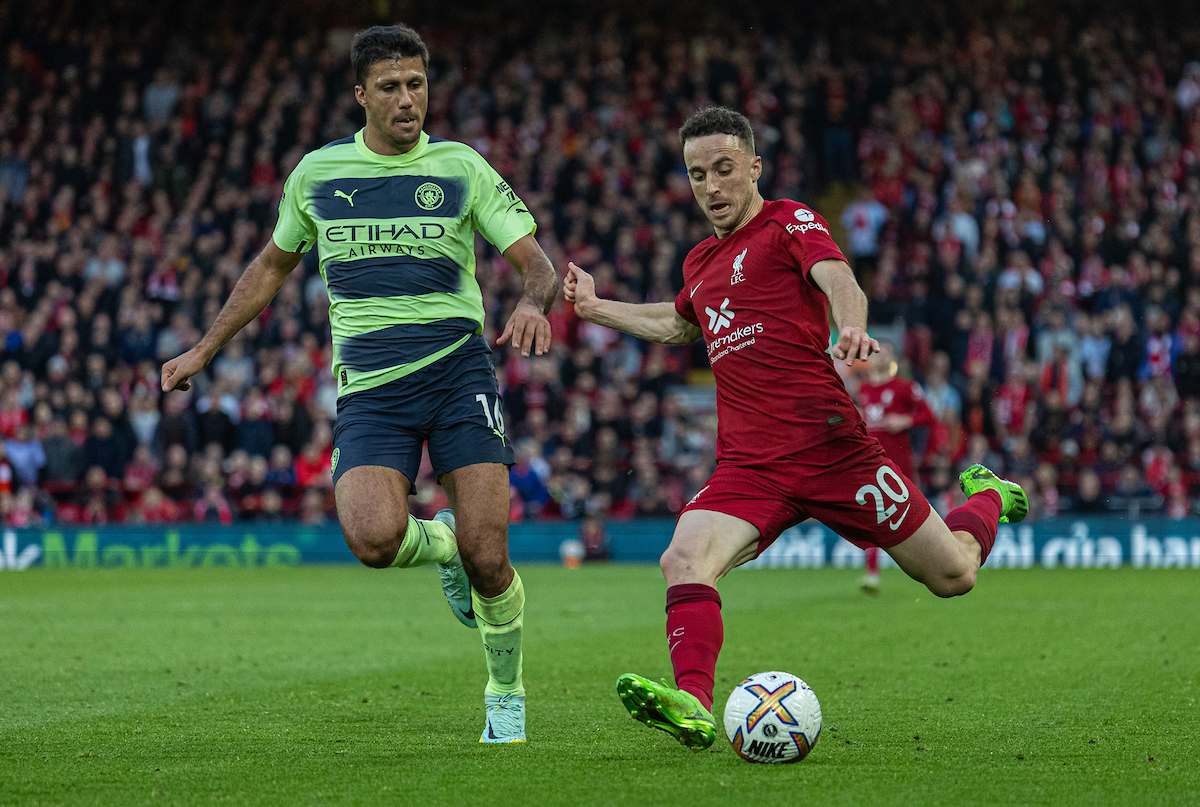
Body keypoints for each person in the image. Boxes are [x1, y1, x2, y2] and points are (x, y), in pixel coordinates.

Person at [564, 106, 1027, 751]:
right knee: (683, 558)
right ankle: (694, 703)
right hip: (750, 467)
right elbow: (675, 323)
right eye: (698, 175)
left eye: (724, 170)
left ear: (753, 167)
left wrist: (852, 323)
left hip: (835, 452)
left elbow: (837, 277)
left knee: (954, 575)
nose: (712, 187)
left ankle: (989, 496)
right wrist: (593, 307)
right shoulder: (700, 260)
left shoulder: (788, 221)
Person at [161, 24, 558, 744]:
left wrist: (532, 302)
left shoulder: (461, 167)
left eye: (417, 84)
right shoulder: (317, 174)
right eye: (390, 87)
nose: (408, 100)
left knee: (491, 554)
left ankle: (505, 687)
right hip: (372, 389)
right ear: (360, 95)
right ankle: (437, 543)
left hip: (459, 370)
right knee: (373, 540)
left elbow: (537, 264)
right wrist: (204, 347)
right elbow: (271, 268)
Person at [855, 341, 935, 594]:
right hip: (872, 461)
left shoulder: (905, 386)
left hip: (900, 461)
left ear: (893, 359)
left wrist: (906, 419)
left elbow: (929, 415)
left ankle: (932, 563)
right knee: (871, 515)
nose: (879, 357)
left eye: (885, 353)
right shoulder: (864, 389)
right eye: (875, 353)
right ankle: (872, 574)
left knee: (912, 511)